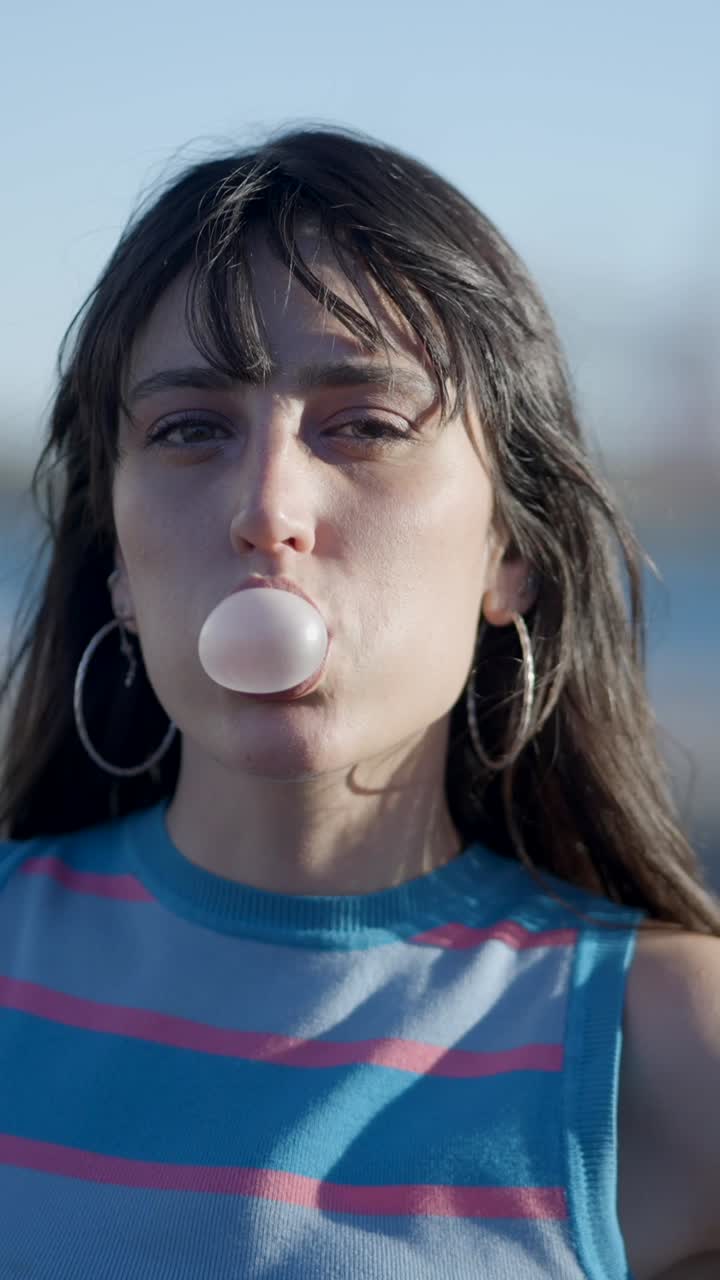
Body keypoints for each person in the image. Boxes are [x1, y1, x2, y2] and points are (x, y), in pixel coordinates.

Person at [0, 125, 718, 1280]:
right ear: (118, 568)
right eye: (191, 429)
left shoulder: (671, 1048)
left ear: (510, 551)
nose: (267, 505)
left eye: (367, 426)